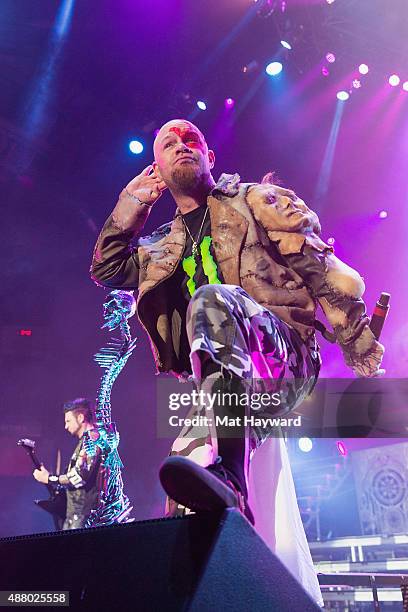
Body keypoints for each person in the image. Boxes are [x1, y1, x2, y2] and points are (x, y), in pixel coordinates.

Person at [90, 119, 384, 602]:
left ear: (210, 157)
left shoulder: (255, 200)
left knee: (212, 300)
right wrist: (135, 199)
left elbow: (321, 269)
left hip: (282, 358)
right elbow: (107, 266)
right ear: (158, 168)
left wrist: (359, 344)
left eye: (193, 141)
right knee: (186, 494)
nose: (183, 146)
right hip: (221, 384)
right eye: (170, 143)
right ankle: (222, 578)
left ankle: (231, 472)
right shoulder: (163, 245)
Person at [33, 398, 102, 530]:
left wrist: (49, 478)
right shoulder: (85, 441)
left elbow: (79, 477)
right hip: (76, 516)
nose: (66, 426)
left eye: (68, 421)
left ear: (81, 417)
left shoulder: (92, 440)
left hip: (83, 517)